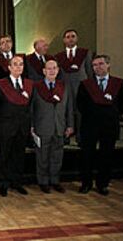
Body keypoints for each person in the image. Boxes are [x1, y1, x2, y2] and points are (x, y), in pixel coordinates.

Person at [77, 55, 123, 196]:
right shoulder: (86, 85)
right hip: (90, 125)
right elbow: (80, 105)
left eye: (100, 64)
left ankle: (102, 184)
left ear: (108, 65)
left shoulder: (120, 84)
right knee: (87, 155)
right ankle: (86, 183)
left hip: (109, 125)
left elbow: (122, 106)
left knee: (106, 155)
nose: (97, 67)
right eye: (94, 65)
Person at [31, 60, 73, 193]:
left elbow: (69, 108)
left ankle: (55, 181)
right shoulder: (36, 86)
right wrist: (32, 126)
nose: (52, 71)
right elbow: (31, 109)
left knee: (57, 157)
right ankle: (43, 182)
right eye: (49, 68)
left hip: (60, 127)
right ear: (44, 71)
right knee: (42, 157)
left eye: (54, 68)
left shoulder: (64, 86)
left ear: (58, 70)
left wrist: (70, 125)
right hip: (42, 127)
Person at [0, 55, 33, 197]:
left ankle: (17, 182)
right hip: (6, 126)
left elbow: (30, 106)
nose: (18, 67)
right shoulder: (1, 84)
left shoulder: (29, 84)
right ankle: (3, 184)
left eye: (21, 64)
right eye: (15, 64)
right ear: (9, 67)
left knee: (19, 156)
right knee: (4, 156)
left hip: (22, 126)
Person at [55, 29, 93, 143]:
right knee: (65, 111)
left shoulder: (85, 53)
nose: (70, 38)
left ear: (77, 38)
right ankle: (65, 137)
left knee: (80, 112)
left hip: (81, 87)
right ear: (64, 40)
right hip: (64, 87)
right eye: (67, 36)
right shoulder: (58, 56)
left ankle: (81, 138)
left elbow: (89, 72)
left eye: (73, 36)